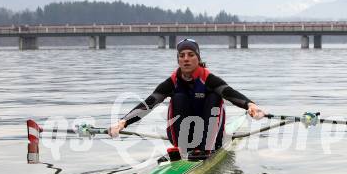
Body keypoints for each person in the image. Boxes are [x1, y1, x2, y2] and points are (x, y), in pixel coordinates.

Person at [109, 38, 265, 154]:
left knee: (215, 97)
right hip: (183, 134)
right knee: (178, 98)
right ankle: (182, 150)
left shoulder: (208, 79)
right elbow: (149, 103)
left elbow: (230, 93)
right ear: (178, 60)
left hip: (210, 133)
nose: (186, 58)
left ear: (198, 58)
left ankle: (206, 149)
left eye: (190, 54)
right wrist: (123, 122)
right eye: (182, 55)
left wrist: (250, 105)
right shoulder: (172, 81)